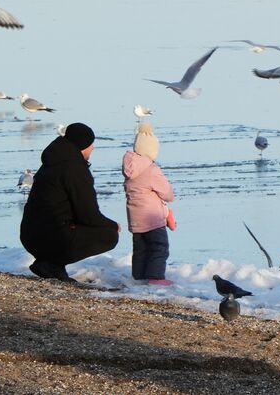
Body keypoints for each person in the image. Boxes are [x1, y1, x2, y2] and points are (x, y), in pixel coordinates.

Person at [20, 122, 120, 282]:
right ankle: (52, 263)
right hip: (51, 236)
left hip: (29, 234)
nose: (93, 148)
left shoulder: (51, 162)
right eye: (90, 144)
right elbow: (88, 214)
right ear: (81, 146)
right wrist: (112, 225)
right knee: (108, 235)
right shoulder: (74, 169)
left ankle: (51, 265)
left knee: (69, 222)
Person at [122, 122, 176, 285]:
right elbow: (167, 194)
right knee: (159, 248)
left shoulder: (129, 169)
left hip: (135, 219)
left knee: (140, 250)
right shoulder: (152, 170)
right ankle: (155, 277)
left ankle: (139, 276)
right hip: (153, 219)